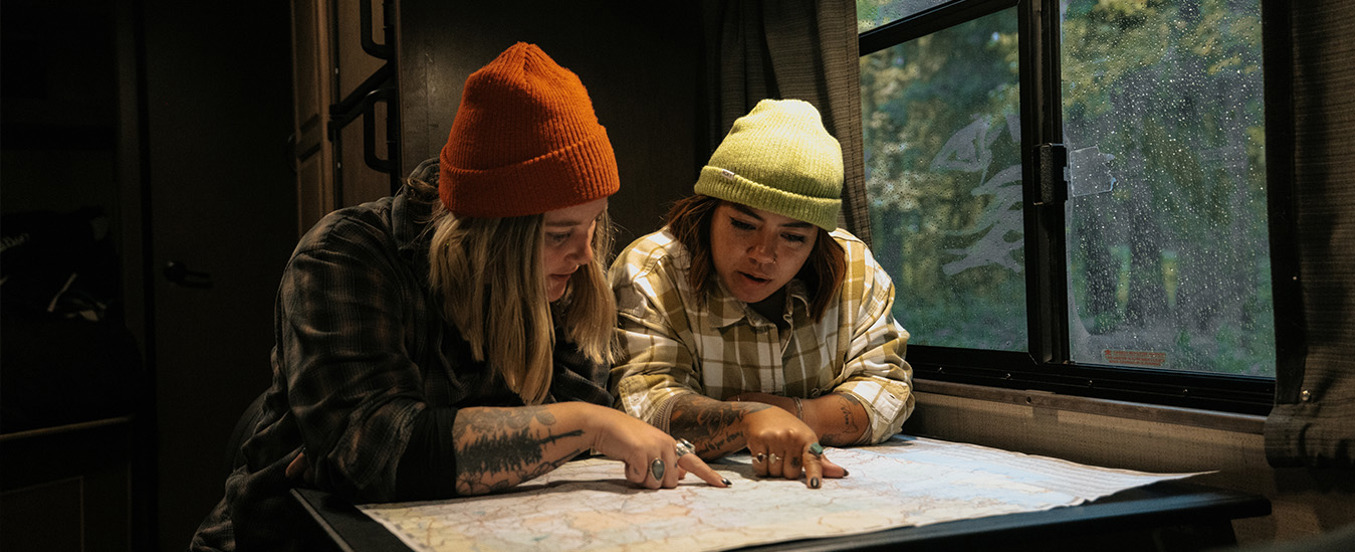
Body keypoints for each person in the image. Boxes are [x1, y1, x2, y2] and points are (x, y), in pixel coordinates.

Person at [190, 42, 727, 552]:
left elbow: (568, 415)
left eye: (592, 225)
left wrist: (444, 445)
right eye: (559, 234)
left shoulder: (557, 276)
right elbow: (374, 453)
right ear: (490, 236)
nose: (585, 256)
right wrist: (588, 424)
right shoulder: (345, 255)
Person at [609, 99, 914, 490]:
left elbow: (889, 389)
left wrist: (794, 414)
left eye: (792, 237)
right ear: (708, 211)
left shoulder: (855, 268)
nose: (764, 255)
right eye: (742, 224)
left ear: (818, 239)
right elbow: (640, 402)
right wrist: (747, 420)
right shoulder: (651, 272)